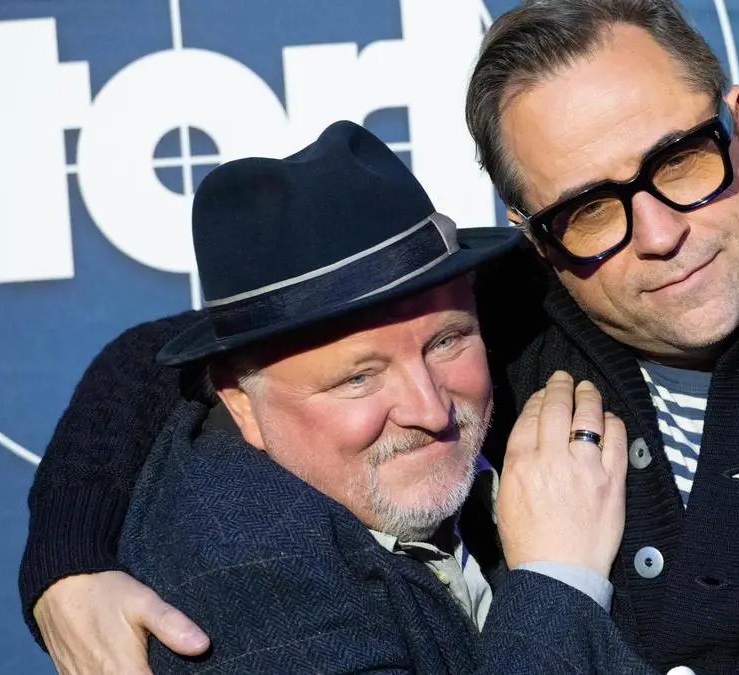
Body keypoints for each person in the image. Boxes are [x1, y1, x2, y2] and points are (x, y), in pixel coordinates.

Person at [21, 1, 739, 672]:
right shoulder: (477, 341)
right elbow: (175, 361)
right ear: (532, 232)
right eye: (591, 208)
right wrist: (66, 565)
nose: (659, 232)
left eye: (682, 160)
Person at [112, 119, 651, 673]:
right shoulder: (248, 574)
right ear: (241, 402)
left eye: (447, 341)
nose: (430, 411)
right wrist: (558, 578)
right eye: (359, 378)